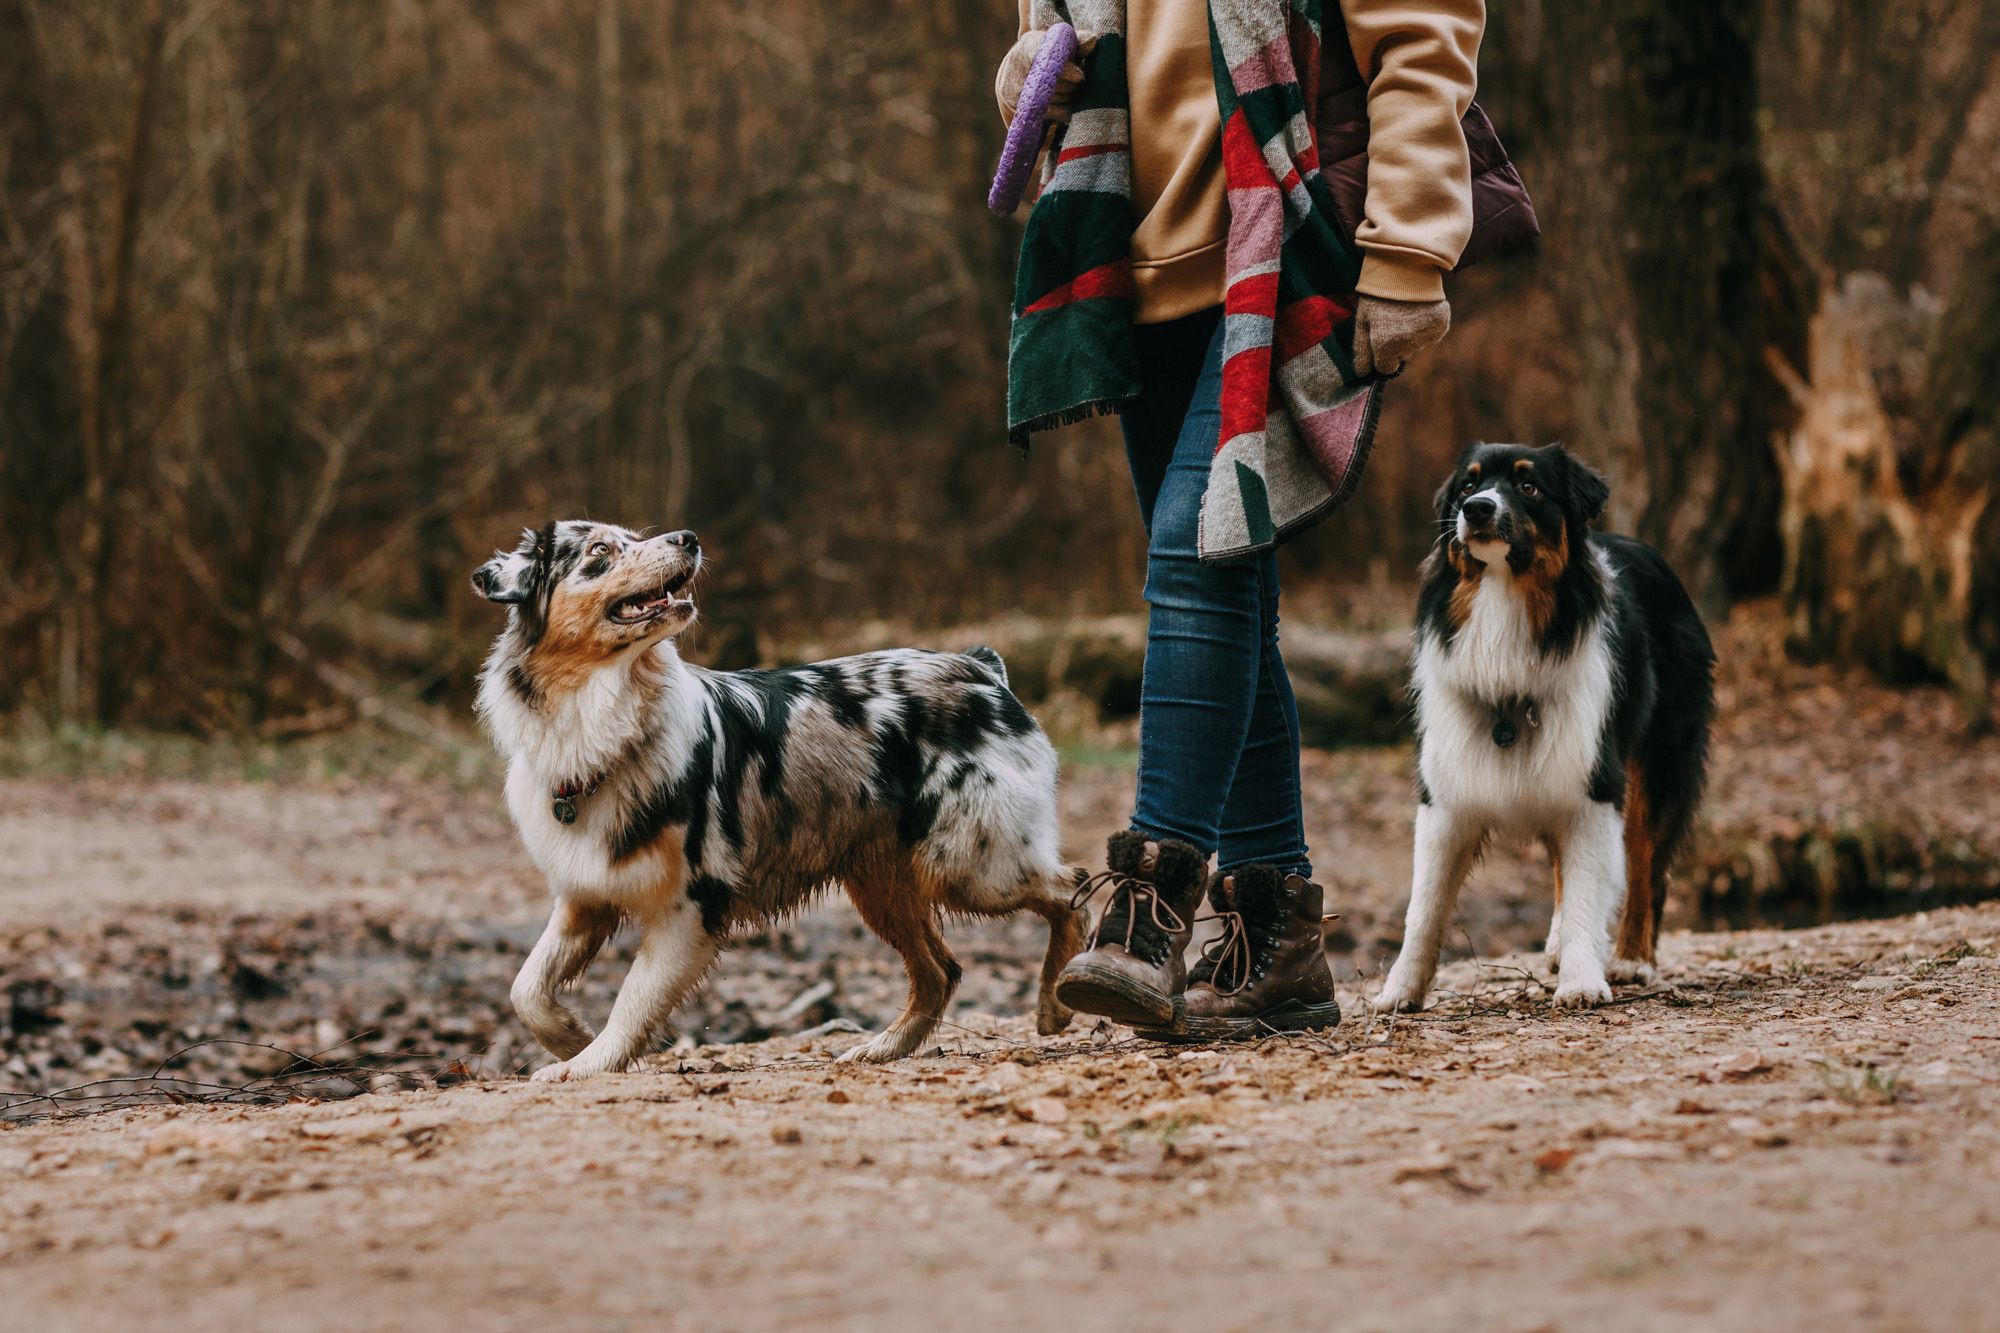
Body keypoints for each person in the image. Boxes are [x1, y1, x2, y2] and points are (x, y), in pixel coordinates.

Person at [995, 0, 1485, 1038]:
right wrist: (1027, 73)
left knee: (1193, 558)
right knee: (1228, 593)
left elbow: (1420, 38)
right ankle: (1277, 940)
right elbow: (1048, 32)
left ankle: (1147, 901)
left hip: (1287, 253)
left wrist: (1407, 249)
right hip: (1134, 265)